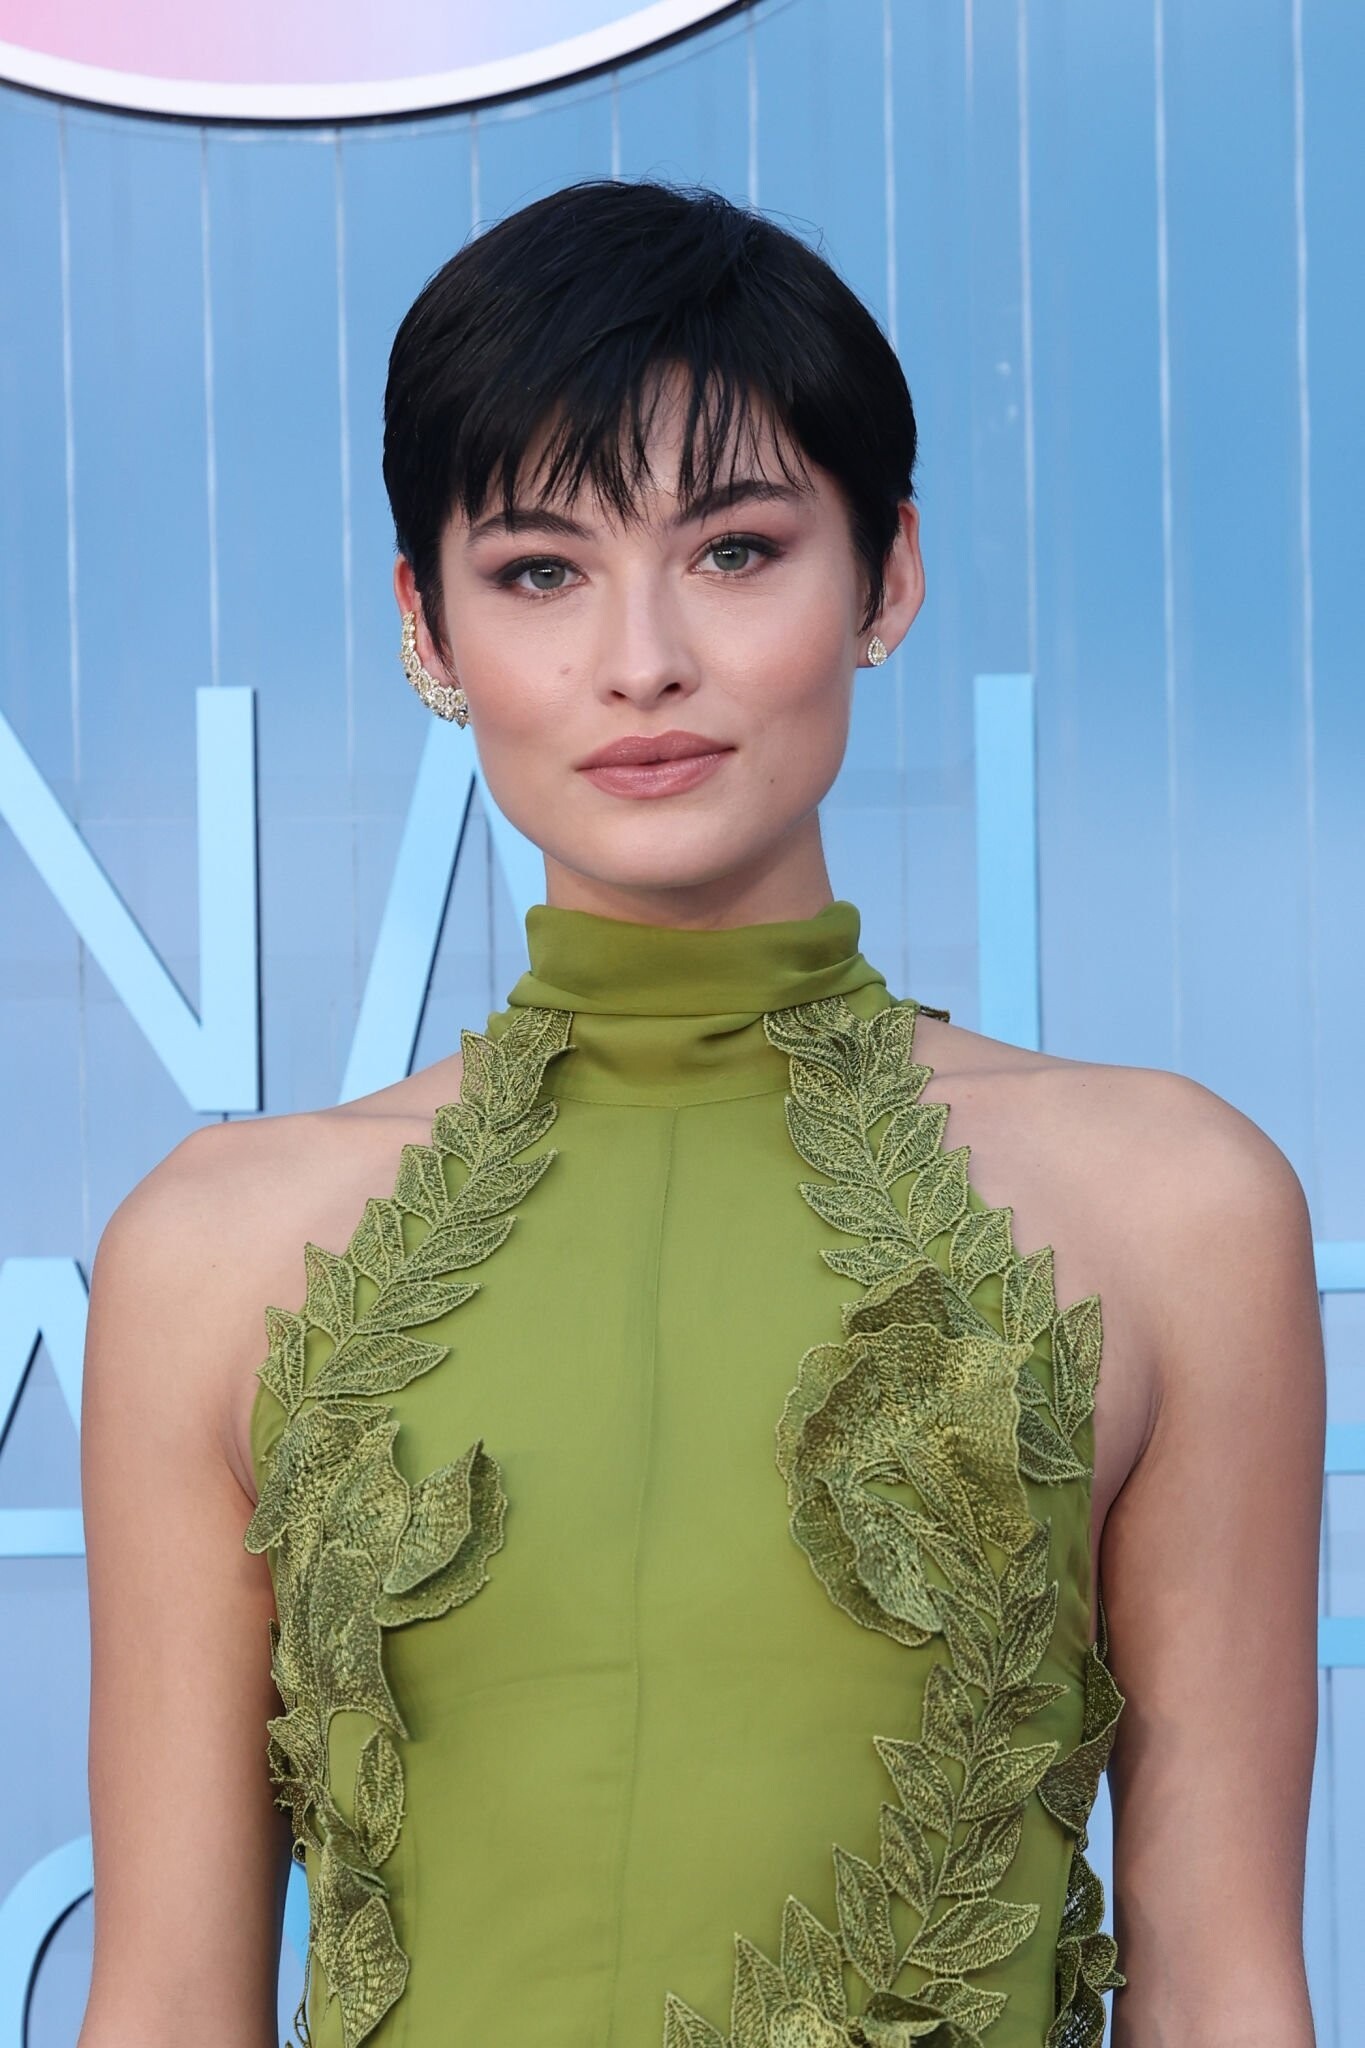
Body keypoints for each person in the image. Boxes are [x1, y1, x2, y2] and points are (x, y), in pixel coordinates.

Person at [76, 177, 1324, 2048]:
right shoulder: (213, 1252)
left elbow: (1220, 1985)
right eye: (539, 571)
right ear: (427, 627)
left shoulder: (1173, 1209)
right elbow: (169, 2002)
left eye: (735, 550)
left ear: (885, 577)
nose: (640, 657)